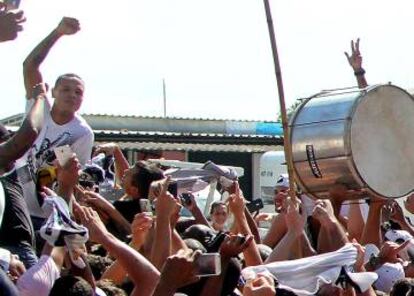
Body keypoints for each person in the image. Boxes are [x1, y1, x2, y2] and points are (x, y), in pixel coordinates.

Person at [16, 17, 94, 226]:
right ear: (53, 91)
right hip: (12, 199)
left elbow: (66, 176)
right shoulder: (39, 106)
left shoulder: (81, 132)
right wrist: (57, 32)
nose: (72, 95)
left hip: (44, 214)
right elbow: (30, 65)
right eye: (66, 89)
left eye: (78, 92)